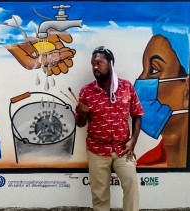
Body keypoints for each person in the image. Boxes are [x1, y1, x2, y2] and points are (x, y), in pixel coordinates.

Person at [75, 46, 144, 211]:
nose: (95, 67)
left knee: (131, 187)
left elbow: (137, 115)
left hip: (123, 148)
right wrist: (82, 114)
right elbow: (80, 124)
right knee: (100, 197)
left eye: (99, 63)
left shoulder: (126, 87)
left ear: (111, 64)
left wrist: (133, 141)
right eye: (93, 64)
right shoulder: (86, 91)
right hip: (97, 149)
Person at [135, 33, 189, 168]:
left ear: (187, 92)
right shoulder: (143, 166)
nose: (141, 80)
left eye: (153, 69)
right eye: (144, 69)